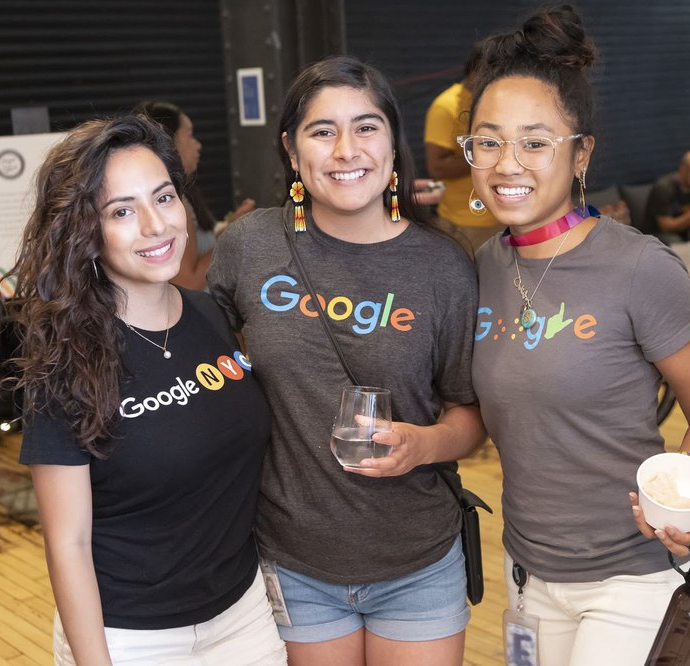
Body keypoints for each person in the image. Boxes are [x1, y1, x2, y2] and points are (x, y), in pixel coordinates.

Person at [464, 7, 690, 665]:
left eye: (535, 142)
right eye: (488, 140)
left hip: (631, 574)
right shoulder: (482, 267)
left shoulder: (640, 268)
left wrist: (681, 484)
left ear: (581, 152)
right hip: (528, 571)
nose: (508, 163)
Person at [208, 55, 485, 666]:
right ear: (291, 148)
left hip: (418, 558)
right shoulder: (251, 246)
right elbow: (201, 365)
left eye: (365, 126)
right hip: (293, 558)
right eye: (321, 130)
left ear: (392, 143)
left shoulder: (442, 266)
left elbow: (469, 412)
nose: (345, 149)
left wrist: (424, 444)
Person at [8, 115, 286, 666]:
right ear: (85, 233)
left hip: (244, 616)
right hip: (131, 638)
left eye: (164, 197)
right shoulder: (67, 361)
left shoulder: (210, 315)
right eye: (121, 212)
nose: (155, 226)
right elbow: (67, 545)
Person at [132, 100, 254, 290]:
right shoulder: (173, 201)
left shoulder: (183, 194)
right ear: (169, 142)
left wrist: (233, 225)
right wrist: (234, 233)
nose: (197, 144)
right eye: (189, 135)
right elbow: (188, 282)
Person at [424, 43, 502, 255]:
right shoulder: (446, 106)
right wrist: (490, 152)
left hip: (502, 216)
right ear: (477, 69)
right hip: (466, 223)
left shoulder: (496, 101)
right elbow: (437, 168)